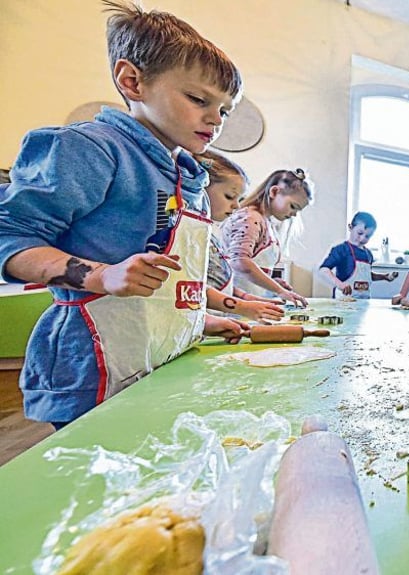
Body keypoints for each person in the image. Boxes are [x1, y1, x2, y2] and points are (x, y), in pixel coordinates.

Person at [0, 1, 248, 427]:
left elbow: (170, 286)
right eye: (197, 99)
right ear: (132, 81)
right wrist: (100, 275)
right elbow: (10, 238)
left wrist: (201, 319)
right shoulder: (93, 149)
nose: (215, 119)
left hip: (160, 353)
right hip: (93, 363)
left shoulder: (191, 178)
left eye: (224, 109)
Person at [195, 151, 284, 322]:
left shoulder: (211, 232)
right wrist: (242, 306)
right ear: (201, 187)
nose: (236, 206)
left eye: (239, 198)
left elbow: (218, 281)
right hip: (205, 321)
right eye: (229, 196)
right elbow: (192, 289)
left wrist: (246, 298)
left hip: (216, 320)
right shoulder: (190, 234)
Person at [221, 168, 313, 306]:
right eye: (293, 206)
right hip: (235, 303)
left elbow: (253, 266)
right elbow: (239, 262)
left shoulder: (265, 221)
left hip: (249, 302)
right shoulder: (251, 219)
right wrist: (279, 290)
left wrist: (271, 282)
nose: (294, 214)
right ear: (274, 192)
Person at [317, 212, 399, 299]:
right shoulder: (342, 249)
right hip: (343, 301)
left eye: (367, 236)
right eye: (360, 233)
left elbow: (366, 275)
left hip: (364, 302)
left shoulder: (368, 254)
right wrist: (340, 284)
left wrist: (385, 277)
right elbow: (324, 269)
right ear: (350, 227)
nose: (362, 238)